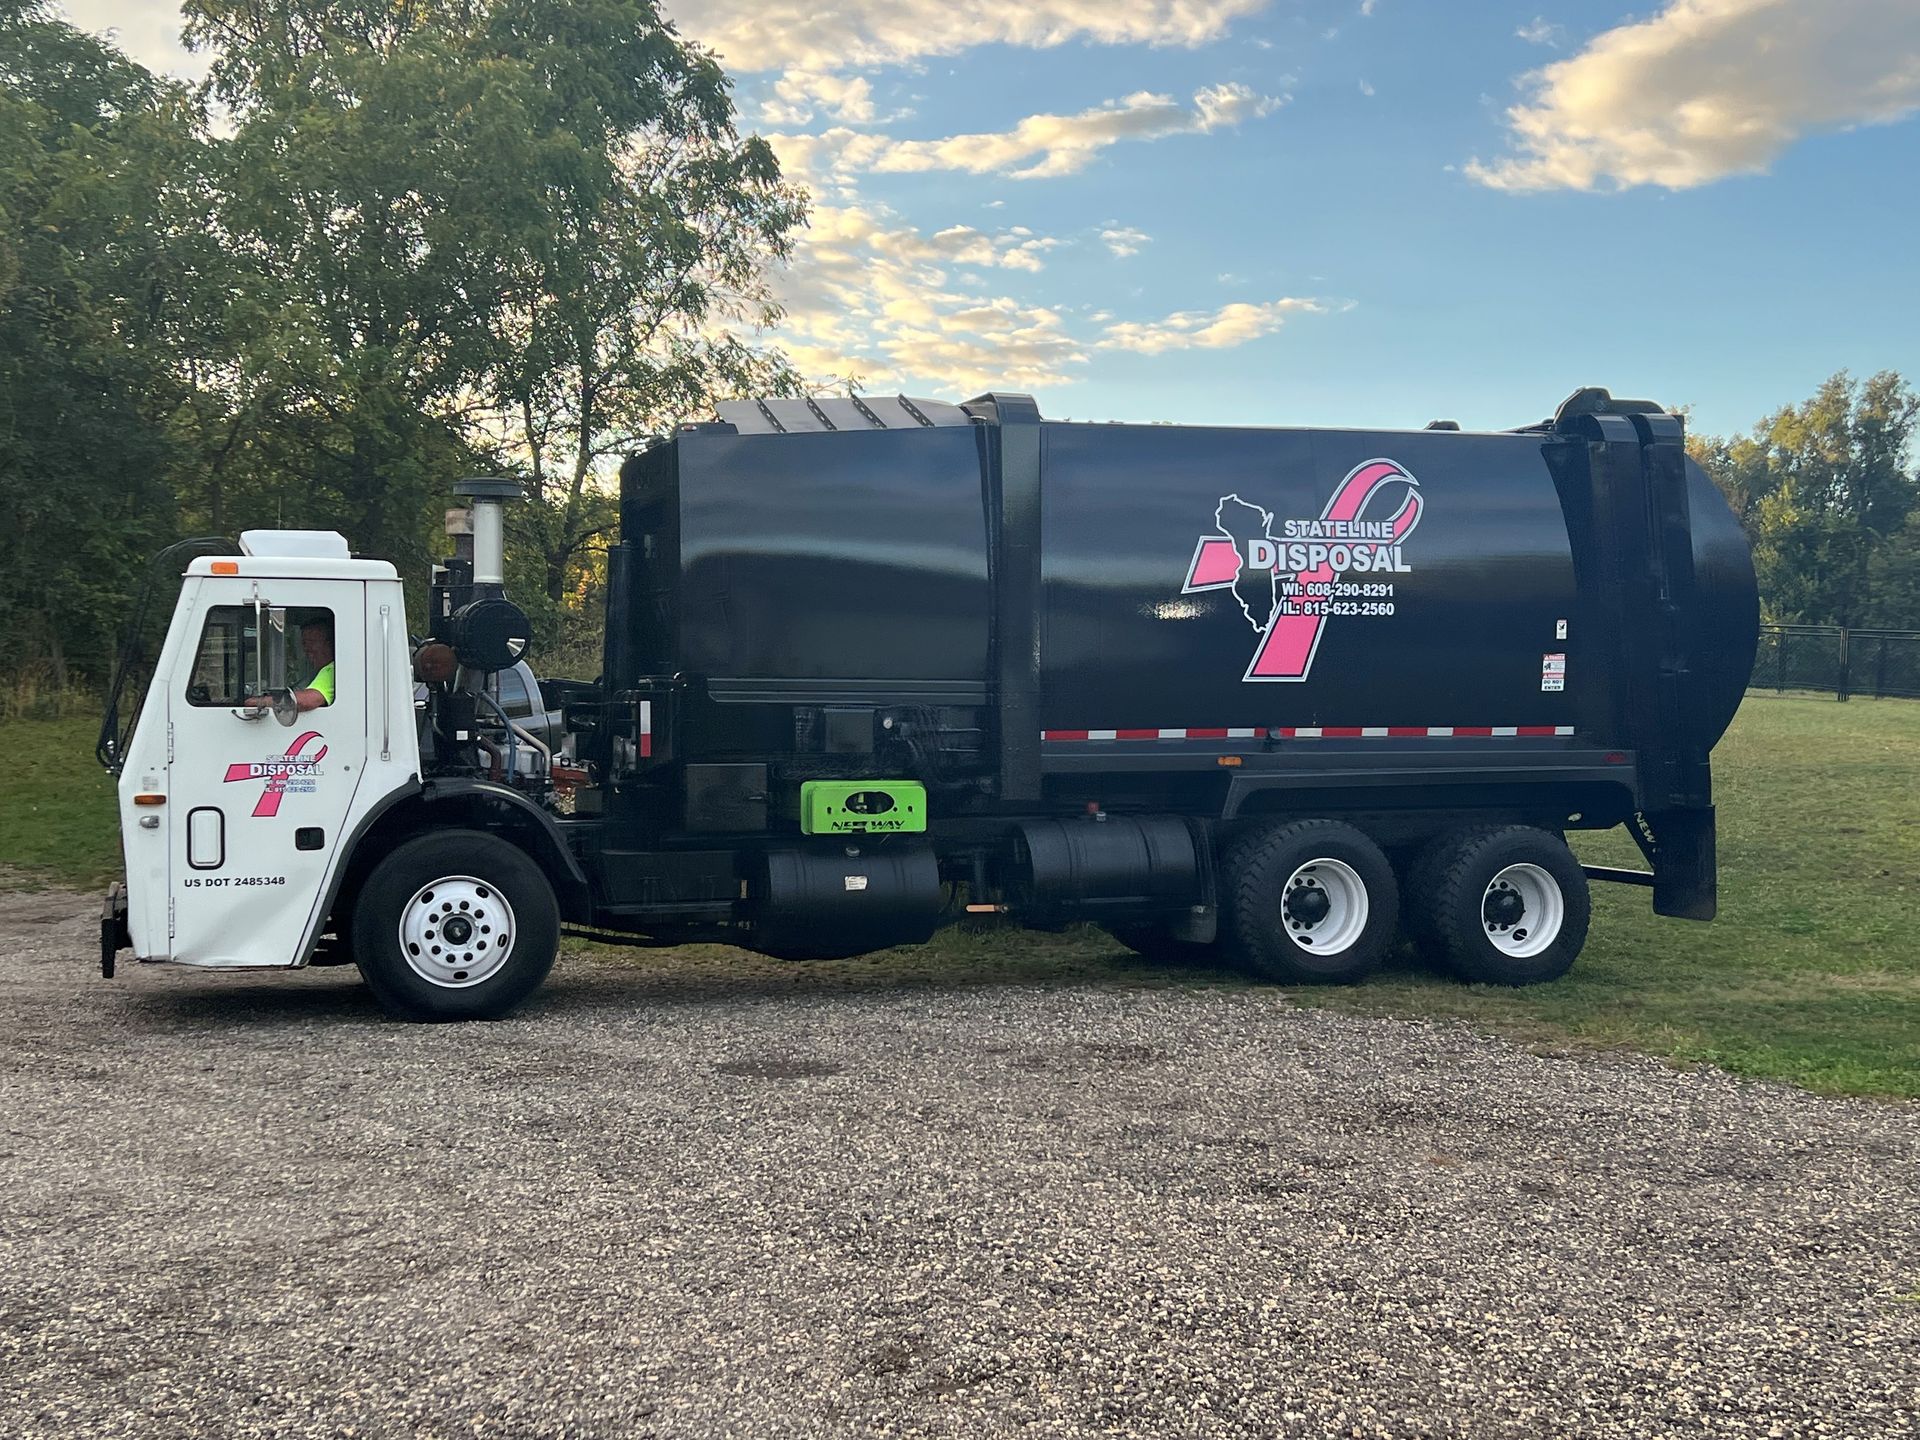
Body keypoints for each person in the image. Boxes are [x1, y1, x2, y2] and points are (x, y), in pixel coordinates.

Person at [245, 615, 335, 713]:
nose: (306, 649)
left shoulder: (331, 671)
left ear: (329, 643)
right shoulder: (316, 672)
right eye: (304, 643)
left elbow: (305, 701)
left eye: (311, 642)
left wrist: (260, 701)